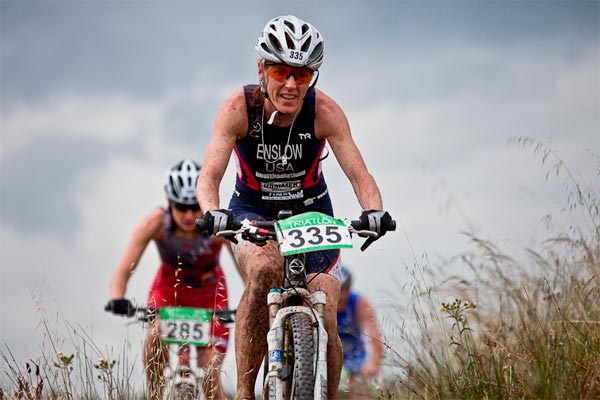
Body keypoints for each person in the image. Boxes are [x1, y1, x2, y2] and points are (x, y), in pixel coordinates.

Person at [196, 15, 394, 399]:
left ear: (312, 78)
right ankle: (244, 393)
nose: (290, 85)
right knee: (265, 270)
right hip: (252, 210)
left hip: (312, 212)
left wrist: (374, 211)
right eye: (281, 72)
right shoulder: (238, 108)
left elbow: (359, 173)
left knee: (325, 306)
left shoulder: (325, 113)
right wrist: (211, 211)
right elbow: (210, 175)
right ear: (261, 69)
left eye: (301, 76)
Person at [106, 159, 236, 400]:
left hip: (211, 293)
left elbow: (244, 269)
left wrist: (255, 298)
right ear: (169, 203)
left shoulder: (216, 227)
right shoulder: (155, 224)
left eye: (194, 207)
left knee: (210, 377)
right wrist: (117, 297)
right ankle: (155, 395)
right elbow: (125, 268)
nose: (188, 215)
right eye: (180, 207)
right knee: (155, 336)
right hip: (169, 290)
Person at [337, 266, 383, 398]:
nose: (340, 295)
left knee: (360, 393)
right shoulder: (322, 302)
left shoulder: (358, 303)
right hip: (328, 358)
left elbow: (374, 337)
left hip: (354, 360)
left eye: (344, 290)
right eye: (337, 290)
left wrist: (374, 364)